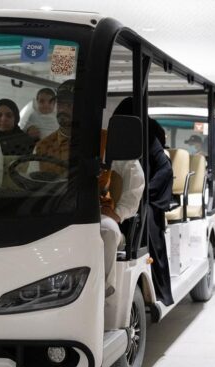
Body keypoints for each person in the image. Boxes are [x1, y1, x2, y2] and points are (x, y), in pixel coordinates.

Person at [35, 81, 144, 297]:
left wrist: (119, 213)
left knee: (108, 231)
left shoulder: (106, 140)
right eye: (62, 104)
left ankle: (101, 295)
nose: (65, 109)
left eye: (71, 105)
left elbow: (135, 179)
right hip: (51, 211)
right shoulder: (43, 146)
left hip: (96, 212)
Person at [113, 98, 174, 305]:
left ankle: (159, 291)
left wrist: (144, 193)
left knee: (147, 222)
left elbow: (164, 169)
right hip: (121, 192)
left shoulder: (149, 135)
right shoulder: (116, 137)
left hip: (148, 196)